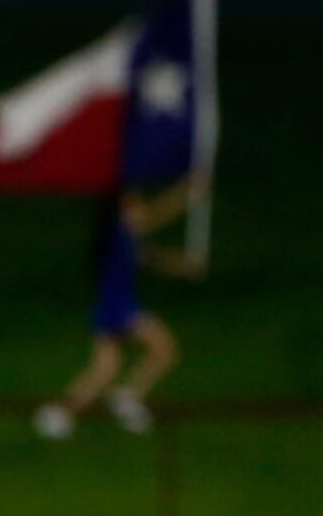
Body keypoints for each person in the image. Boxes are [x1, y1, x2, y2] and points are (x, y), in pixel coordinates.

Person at [33, 173, 208, 439]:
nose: (140, 210)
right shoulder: (117, 234)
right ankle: (126, 398)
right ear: (121, 210)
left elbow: (154, 258)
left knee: (105, 369)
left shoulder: (129, 239)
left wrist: (186, 265)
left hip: (111, 307)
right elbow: (155, 216)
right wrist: (187, 192)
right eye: (134, 205)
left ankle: (60, 412)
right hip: (120, 308)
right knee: (163, 349)